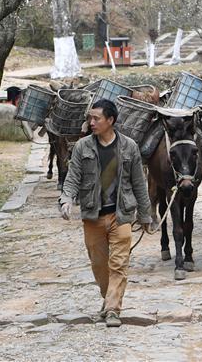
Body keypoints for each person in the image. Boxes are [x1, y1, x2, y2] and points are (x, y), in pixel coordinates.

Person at [58, 99, 153, 327]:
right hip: (93, 215)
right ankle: (108, 297)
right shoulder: (83, 147)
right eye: (90, 118)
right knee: (99, 265)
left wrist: (145, 214)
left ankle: (112, 310)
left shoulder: (129, 147)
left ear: (110, 120)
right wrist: (66, 200)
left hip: (121, 215)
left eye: (96, 118)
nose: (91, 122)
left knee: (118, 264)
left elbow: (139, 182)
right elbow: (73, 178)